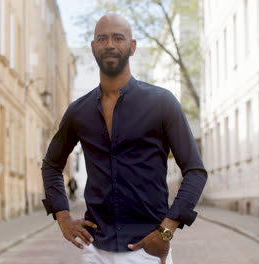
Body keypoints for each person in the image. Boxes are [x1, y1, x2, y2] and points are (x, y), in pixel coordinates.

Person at [41, 14, 207, 264]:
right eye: (102, 38)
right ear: (93, 47)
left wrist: (166, 230)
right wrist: (63, 218)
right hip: (95, 248)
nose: (109, 44)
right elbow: (52, 165)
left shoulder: (162, 103)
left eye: (118, 38)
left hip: (147, 249)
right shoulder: (79, 111)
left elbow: (195, 171)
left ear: (132, 47)